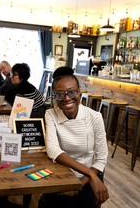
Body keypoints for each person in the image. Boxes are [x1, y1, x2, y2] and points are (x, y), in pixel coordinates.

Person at [38, 66, 109, 208]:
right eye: (60, 94)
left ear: (79, 92)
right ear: (55, 96)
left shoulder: (95, 117)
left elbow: (101, 158)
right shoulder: (51, 114)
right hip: (62, 175)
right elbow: (53, 150)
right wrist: (90, 175)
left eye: (71, 92)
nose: (66, 98)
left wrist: (84, 181)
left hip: (88, 177)